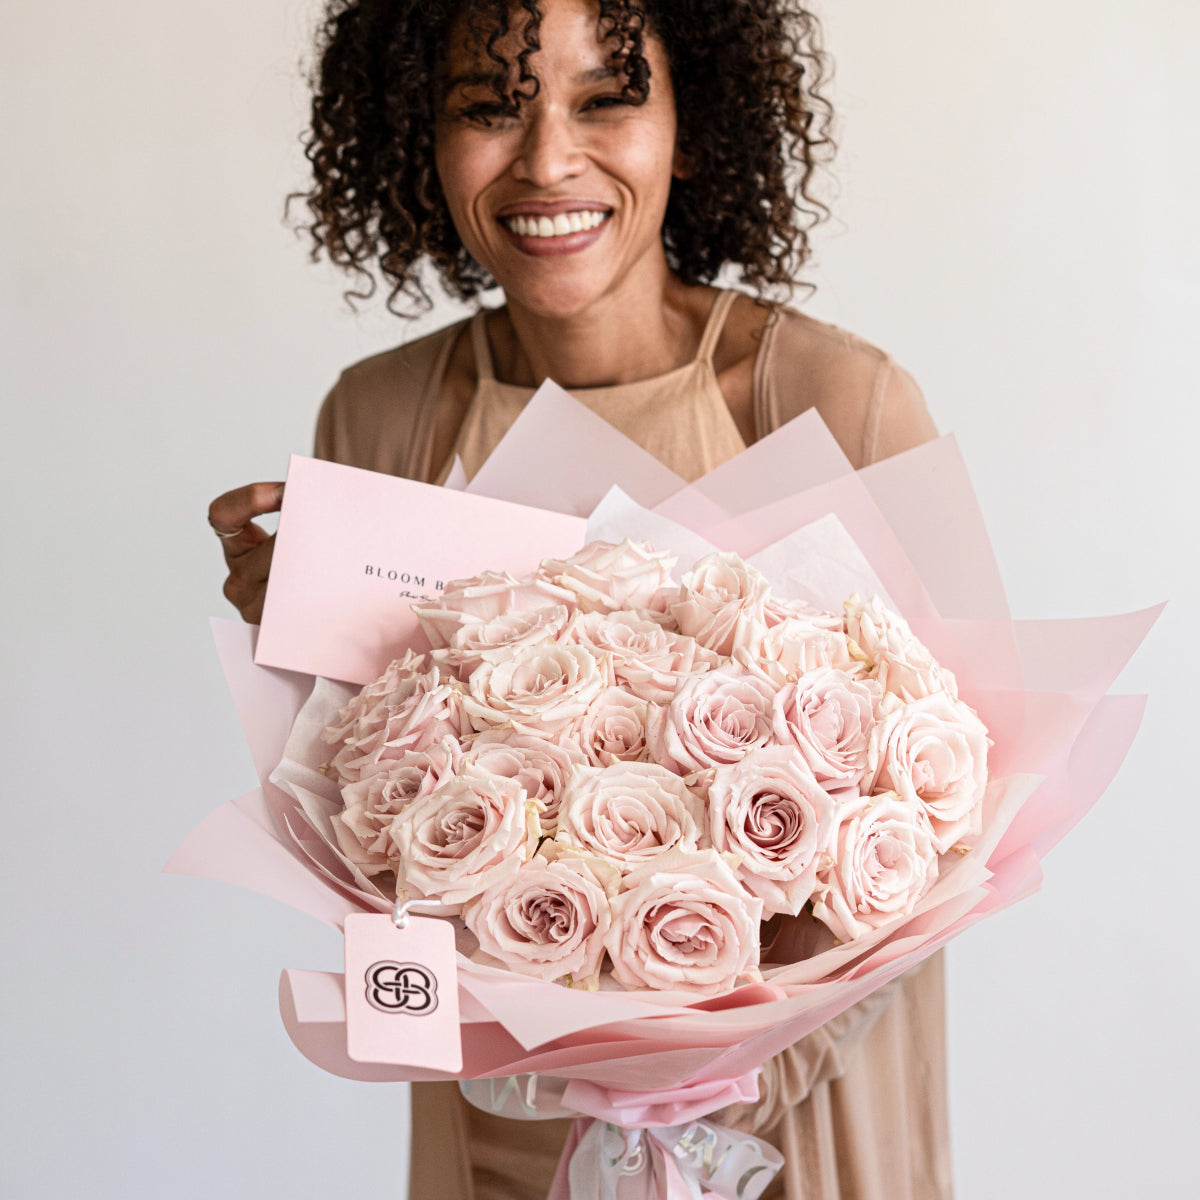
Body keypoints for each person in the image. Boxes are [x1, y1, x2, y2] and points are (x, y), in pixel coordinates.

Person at [209, 1, 950, 1197]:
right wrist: (296, 651)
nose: (548, 159)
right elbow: (374, 841)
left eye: (607, 98)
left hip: (788, 1133)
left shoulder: (835, 401)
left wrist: (687, 1087)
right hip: (506, 1133)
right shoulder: (379, 419)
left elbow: (944, 836)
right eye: (487, 106)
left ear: (690, 123)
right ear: (420, 140)